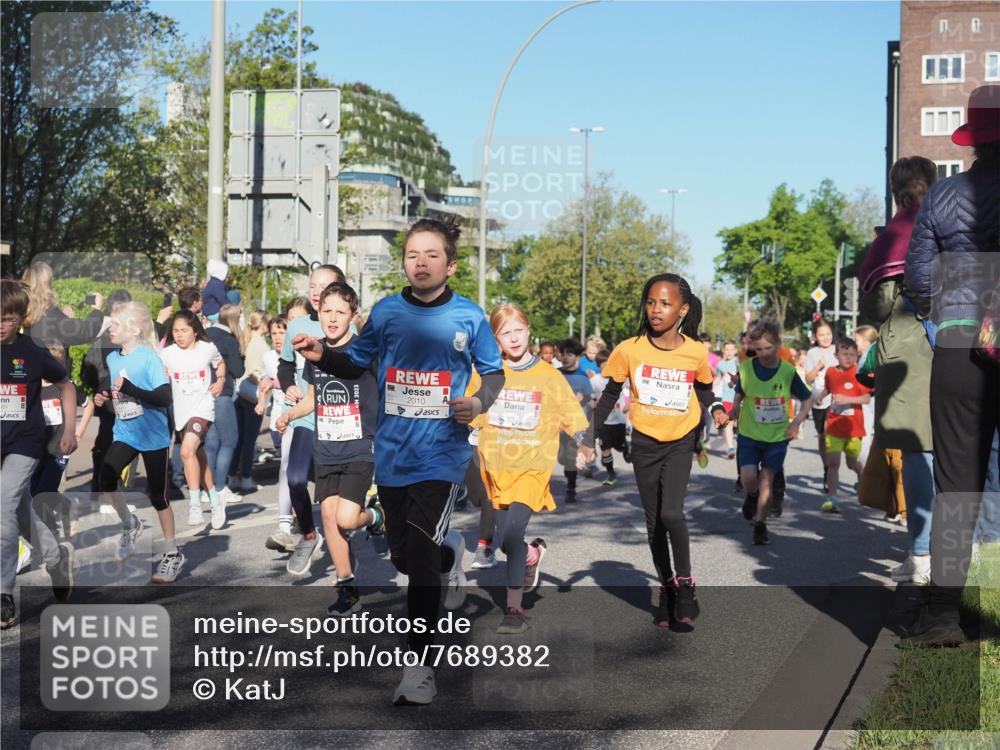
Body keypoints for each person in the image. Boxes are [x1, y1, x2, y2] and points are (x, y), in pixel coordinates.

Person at [293, 217, 504, 705]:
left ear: (450, 265)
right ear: (404, 263)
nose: (422, 263)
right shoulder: (386, 313)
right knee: (407, 557)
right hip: (391, 454)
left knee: (421, 563)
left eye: (432, 255)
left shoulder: (469, 317)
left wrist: (478, 403)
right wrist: (321, 353)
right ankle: (450, 554)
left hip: (443, 454)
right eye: (413, 255)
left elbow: (493, 375)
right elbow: (353, 362)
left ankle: (419, 667)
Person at [903, 84, 1000, 646]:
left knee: (957, 483)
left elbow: (918, 280)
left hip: (962, 341)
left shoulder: (942, 197)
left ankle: (942, 614)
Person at [580, 273, 715, 628]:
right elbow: (610, 394)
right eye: (651, 302)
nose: (656, 310)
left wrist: (715, 411)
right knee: (654, 523)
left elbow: (704, 391)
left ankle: (686, 585)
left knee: (672, 513)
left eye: (666, 304)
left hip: (680, 440)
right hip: (643, 441)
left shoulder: (695, 352)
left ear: (683, 310)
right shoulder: (630, 349)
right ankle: (667, 589)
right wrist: (589, 436)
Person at [471, 303, 589, 634]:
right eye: (506, 332)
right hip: (496, 467)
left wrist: (584, 443)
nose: (514, 337)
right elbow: (469, 407)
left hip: (532, 467)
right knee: (506, 543)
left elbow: (572, 417)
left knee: (511, 534)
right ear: (496, 338)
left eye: (519, 330)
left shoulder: (549, 376)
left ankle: (513, 609)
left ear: (528, 330)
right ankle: (532, 555)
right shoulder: (487, 373)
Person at [859, 155, 938, 587]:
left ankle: (922, 552)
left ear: (897, 189)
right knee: (958, 452)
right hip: (957, 342)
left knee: (916, 452)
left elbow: (881, 304)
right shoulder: (951, 225)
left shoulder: (894, 233)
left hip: (908, 350)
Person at [276, 283, 384, 597]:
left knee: (347, 519)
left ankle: (376, 516)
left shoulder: (365, 351)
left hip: (360, 446)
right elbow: (313, 398)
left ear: (354, 316)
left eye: (340, 312)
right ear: (318, 313)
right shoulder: (315, 349)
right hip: (326, 446)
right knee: (328, 515)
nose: (333, 318)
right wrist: (290, 415)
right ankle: (345, 583)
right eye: (327, 311)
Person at [1, 280, 77, 629]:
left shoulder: (31, 351)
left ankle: (4, 594)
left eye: (8, 318)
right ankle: (56, 557)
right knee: (19, 511)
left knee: (3, 510)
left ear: (20, 319)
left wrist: (71, 430)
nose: (0, 323)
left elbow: (67, 385)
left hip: (24, 443)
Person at [93, 302, 184, 582]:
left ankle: (172, 554)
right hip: (126, 432)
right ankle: (129, 524)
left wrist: (130, 389)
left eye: (115, 325)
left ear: (133, 330)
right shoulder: (112, 358)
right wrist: (104, 396)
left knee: (158, 496)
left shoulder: (149, 358)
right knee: (106, 478)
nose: (110, 329)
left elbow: (164, 397)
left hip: (153, 436)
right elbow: (118, 389)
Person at [276, 266, 346, 560]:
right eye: (312, 285)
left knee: (337, 506)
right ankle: (307, 533)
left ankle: (346, 561)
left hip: (339, 422)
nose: (316, 291)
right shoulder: (297, 325)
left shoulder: (350, 329)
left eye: (324, 285)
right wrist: (289, 385)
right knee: (294, 478)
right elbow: (285, 365)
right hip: (306, 415)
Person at [724, 318, 813, 545]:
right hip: (749, 434)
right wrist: (735, 407)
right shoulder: (745, 368)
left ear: (778, 344)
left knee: (767, 481)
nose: (764, 353)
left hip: (776, 437)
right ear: (752, 346)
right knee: (748, 478)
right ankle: (751, 496)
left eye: (769, 348)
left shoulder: (787, 371)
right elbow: (740, 391)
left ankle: (760, 525)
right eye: (759, 349)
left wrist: (797, 423)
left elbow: (807, 398)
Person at [160, 310, 226, 530]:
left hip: (203, 410)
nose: (179, 335)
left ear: (195, 331)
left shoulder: (207, 349)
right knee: (198, 458)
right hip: (181, 413)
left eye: (184, 331)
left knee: (186, 451)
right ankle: (216, 500)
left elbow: (220, 364)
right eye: (176, 331)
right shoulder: (168, 353)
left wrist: (220, 381)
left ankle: (195, 504)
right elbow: (159, 373)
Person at [795, 339, 872, 513]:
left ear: (857, 356)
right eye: (844, 354)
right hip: (834, 426)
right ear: (836, 356)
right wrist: (821, 396)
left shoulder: (859, 373)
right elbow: (828, 388)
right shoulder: (831, 372)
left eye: (852, 354)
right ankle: (832, 499)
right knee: (833, 463)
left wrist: (848, 400)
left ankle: (861, 477)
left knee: (852, 463)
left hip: (853, 428)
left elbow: (866, 398)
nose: (848, 358)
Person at [81, 289, 134, 497]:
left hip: (106, 399)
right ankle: (112, 488)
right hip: (119, 398)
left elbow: (88, 369)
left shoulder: (102, 333)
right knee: (121, 442)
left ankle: (99, 485)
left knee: (105, 441)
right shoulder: (122, 335)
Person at [204, 304, 245, 506]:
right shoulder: (229, 340)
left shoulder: (204, 335)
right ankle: (220, 488)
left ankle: (207, 489)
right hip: (222, 393)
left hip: (203, 393)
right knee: (229, 441)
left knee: (211, 445)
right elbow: (237, 370)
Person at [232, 309, 270, 494]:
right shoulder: (260, 344)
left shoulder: (246, 341)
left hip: (241, 393)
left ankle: (233, 475)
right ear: (263, 324)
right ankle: (246, 477)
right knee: (249, 439)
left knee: (240, 438)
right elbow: (258, 372)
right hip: (254, 395)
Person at [556, 338, 593, 500]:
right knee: (561, 458)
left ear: (577, 357)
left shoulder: (582, 377)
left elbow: (588, 398)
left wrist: (582, 399)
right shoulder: (555, 374)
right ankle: (569, 473)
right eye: (563, 354)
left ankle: (571, 488)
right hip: (557, 423)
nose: (565, 358)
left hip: (576, 424)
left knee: (570, 457)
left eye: (569, 354)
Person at [803, 318, 838, 491]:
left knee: (828, 432)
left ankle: (833, 469)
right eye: (821, 335)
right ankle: (827, 468)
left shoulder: (838, 350)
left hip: (836, 400)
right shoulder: (812, 353)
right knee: (823, 436)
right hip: (819, 400)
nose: (825, 338)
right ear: (815, 336)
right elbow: (807, 378)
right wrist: (818, 366)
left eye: (828, 334)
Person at [590, 348, 630, 487]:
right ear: (599, 366)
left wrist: (629, 404)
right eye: (603, 365)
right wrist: (593, 405)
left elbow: (632, 390)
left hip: (618, 420)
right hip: (604, 422)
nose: (606, 367)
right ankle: (611, 474)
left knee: (619, 446)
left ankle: (625, 449)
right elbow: (592, 398)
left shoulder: (619, 377)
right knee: (605, 448)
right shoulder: (595, 381)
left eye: (609, 364)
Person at [714, 340, 739, 460]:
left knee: (739, 425)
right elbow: (717, 379)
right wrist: (712, 392)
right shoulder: (720, 364)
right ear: (724, 351)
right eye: (727, 349)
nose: (729, 352)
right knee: (728, 424)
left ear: (735, 351)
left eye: (731, 349)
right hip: (727, 398)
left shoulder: (739, 362)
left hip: (740, 398)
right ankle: (730, 448)